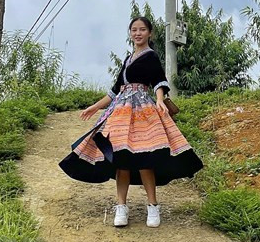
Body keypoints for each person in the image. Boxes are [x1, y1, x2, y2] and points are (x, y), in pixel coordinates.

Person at [58, 16, 203, 228]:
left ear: (149, 33)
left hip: (142, 109)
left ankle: (153, 207)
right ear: (130, 33)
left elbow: (159, 81)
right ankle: (121, 208)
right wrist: (95, 106)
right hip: (121, 110)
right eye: (134, 29)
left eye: (142, 29)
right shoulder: (128, 59)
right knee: (121, 160)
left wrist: (160, 100)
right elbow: (114, 90)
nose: (137, 33)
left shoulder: (151, 56)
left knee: (145, 159)